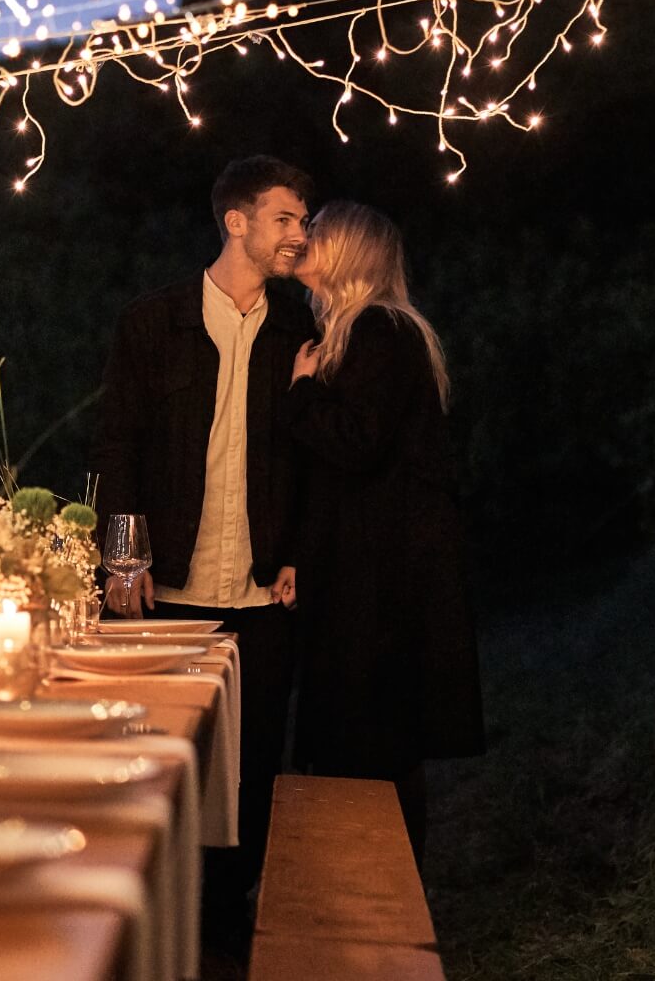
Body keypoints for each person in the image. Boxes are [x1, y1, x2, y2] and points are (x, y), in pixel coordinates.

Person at [88, 154, 318, 908]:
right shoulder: (155, 321)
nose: (299, 235)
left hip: (262, 589)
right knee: (155, 762)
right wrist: (122, 558)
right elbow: (116, 444)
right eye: (285, 218)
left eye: (302, 220)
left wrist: (301, 555)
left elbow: (316, 457)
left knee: (251, 770)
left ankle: (227, 928)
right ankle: (147, 915)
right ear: (237, 220)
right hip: (170, 587)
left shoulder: (301, 328)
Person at [281, 199, 486, 862]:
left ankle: (375, 893)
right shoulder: (363, 333)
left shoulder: (380, 332)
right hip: (368, 571)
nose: (303, 240)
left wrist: (303, 393)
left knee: (371, 734)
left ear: (349, 253)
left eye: (317, 233)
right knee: (367, 734)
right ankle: (362, 884)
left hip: (381, 580)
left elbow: (357, 445)